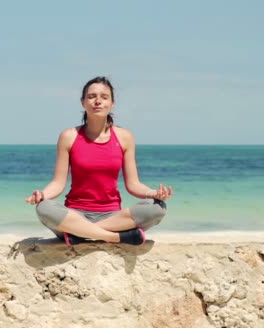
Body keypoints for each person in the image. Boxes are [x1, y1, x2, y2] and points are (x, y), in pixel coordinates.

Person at [24, 76, 173, 246]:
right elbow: (58, 183)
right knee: (44, 208)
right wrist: (42, 195)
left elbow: (133, 184)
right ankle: (114, 237)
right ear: (83, 102)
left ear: (112, 103)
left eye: (104, 97)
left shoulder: (125, 137)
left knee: (157, 207)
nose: (97, 101)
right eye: (91, 96)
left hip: (112, 217)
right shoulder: (69, 136)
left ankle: (80, 234)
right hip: (75, 214)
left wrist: (153, 194)